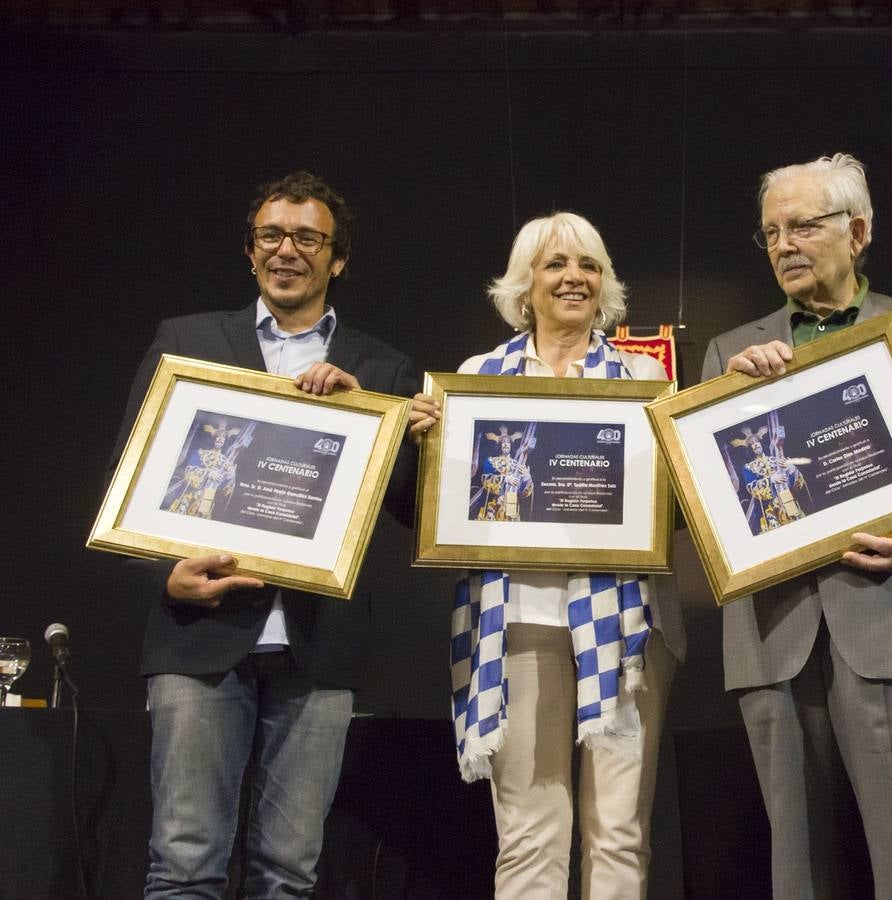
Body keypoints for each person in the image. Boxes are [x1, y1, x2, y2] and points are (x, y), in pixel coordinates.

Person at [107, 171, 420, 898]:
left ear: (337, 258)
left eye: (308, 237)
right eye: (272, 236)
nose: (288, 250)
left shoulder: (381, 367)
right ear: (250, 253)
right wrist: (164, 575)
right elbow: (133, 479)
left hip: (319, 647)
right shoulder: (186, 340)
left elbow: (403, 504)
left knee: (290, 872)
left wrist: (387, 426)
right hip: (198, 634)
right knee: (184, 863)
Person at [701, 154, 892, 900]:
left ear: (857, 231)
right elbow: (703, 497)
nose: (784, 244)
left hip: (889, 622)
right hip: (773, 634)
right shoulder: (729, 354)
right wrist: (730, 405)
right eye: (770, 233)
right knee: (798, 867)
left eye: (802, 225)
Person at [409, 211, 685, 899]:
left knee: (619, 834)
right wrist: (431, 451)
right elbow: (448, 515)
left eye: (588, 265)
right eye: (555, 264)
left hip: (627, 631)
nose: (574, 278)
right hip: (518, 626)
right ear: (523, 284)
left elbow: (677, 509)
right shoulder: (475, 381)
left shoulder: (646, 383)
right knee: (532, 836)